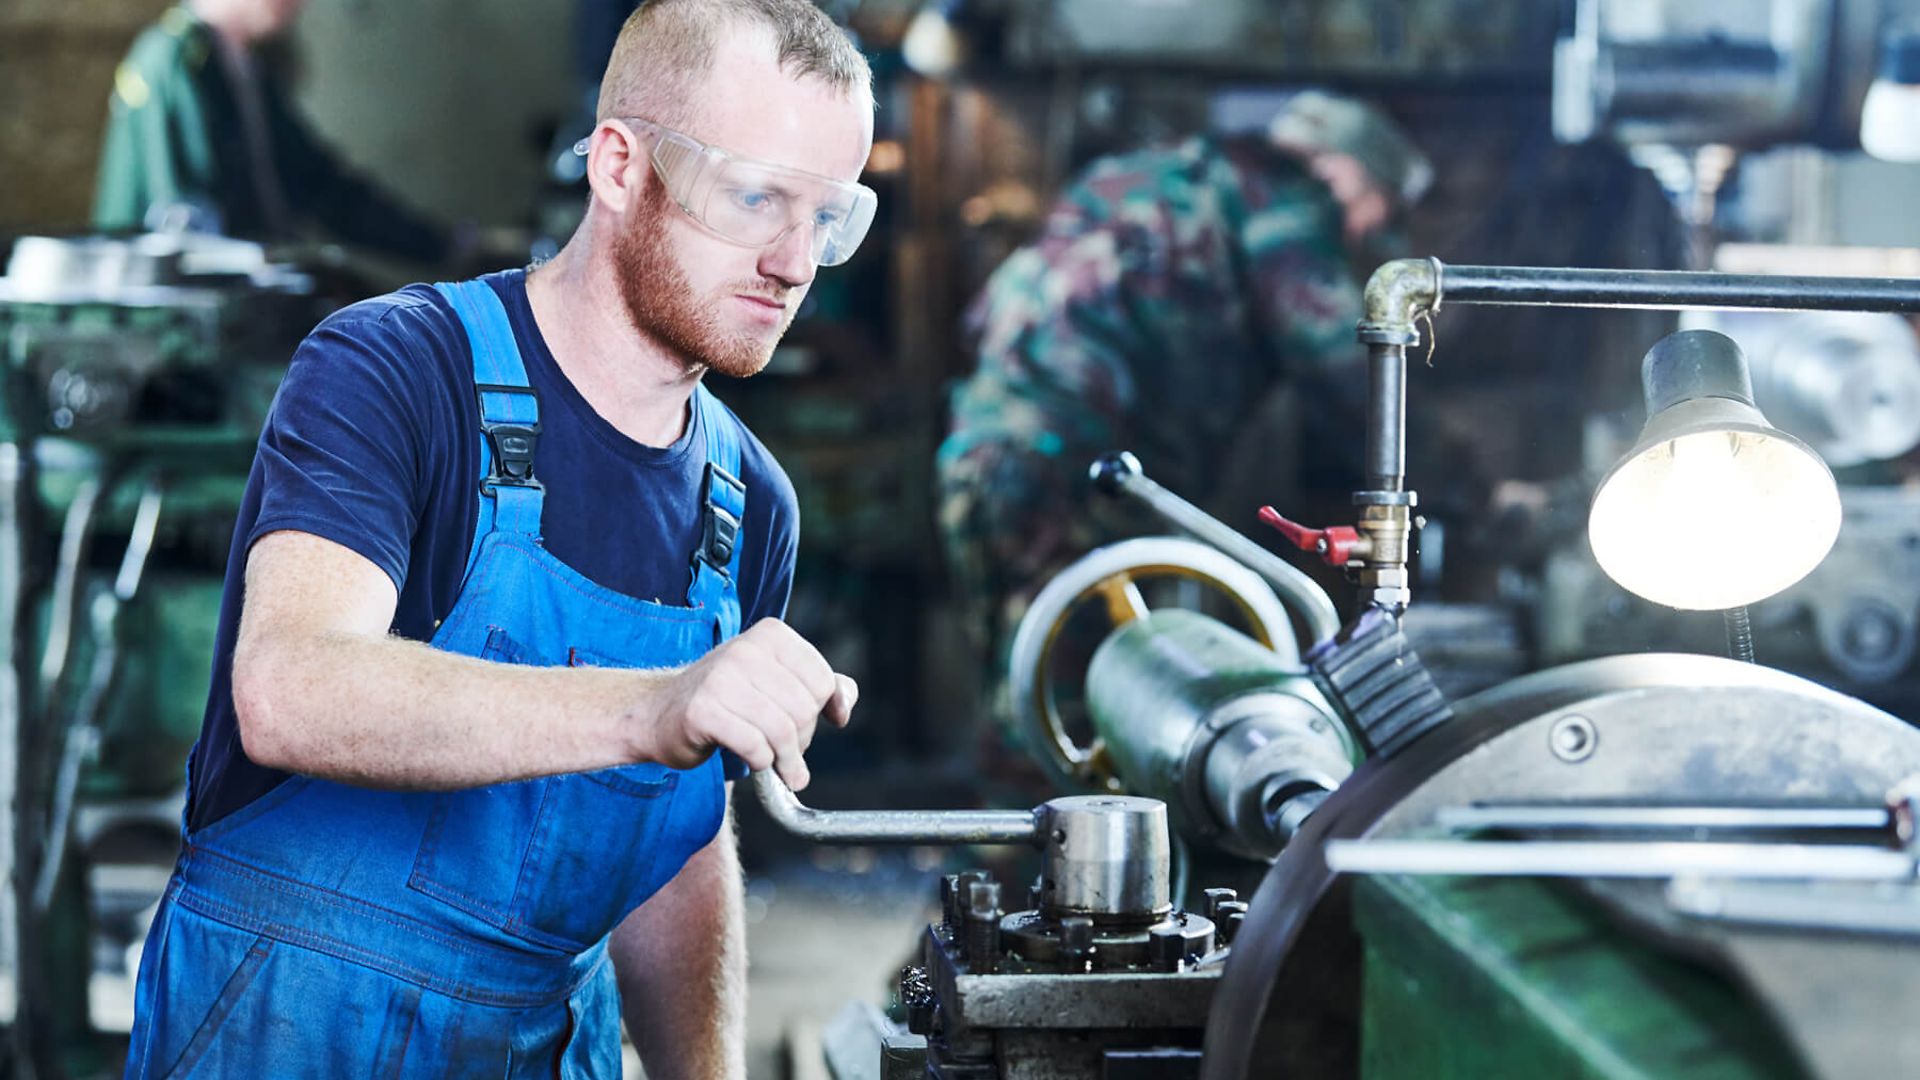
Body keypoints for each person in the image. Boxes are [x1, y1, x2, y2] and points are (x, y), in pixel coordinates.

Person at [122, 1, 875, 1076]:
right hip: (286, 1030)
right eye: (755, 198)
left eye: (829, 216)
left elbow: (673, 846)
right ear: (619, 167)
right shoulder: (392, 370)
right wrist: (653, 705)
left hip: (543, 1044)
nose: (795, 263)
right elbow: (290, 688)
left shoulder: (751, 503)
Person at [936, 92, 1432, 699]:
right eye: (1379, 213)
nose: (1364, 236)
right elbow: (1344, 374)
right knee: (1088, 701)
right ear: (1344, 171)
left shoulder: (1146, 175)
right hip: (1080, 473)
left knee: (1023, 692)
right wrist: (1467, 490)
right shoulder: (1284, 201)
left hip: (980, 449)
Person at [94, 0, 456, 262]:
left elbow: (322, 186)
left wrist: (440, 246)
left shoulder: (250, 74)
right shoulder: (174, 59)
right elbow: (182, 225)